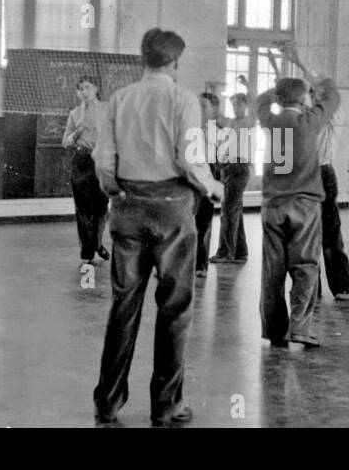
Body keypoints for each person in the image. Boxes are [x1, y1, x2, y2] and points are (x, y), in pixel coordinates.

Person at [92, 28, 223, 428]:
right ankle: (166, 406)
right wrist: (213, 187)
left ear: (141, 59)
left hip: (128, 210)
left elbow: (103, 160)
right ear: (176, 63)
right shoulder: (183, 99)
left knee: (123, 307)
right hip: (172, 211)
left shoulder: (119, 99)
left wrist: (119, 191)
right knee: (175, 310)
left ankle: (108, 404)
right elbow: (190, 159)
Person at [255, 67, 342, 348]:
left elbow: (261, 100)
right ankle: (300, 327)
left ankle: (273, 329)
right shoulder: (308, 122)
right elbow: (332, 94)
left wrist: (278, 91)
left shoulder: (270, 120)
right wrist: (313, 79)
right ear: (304, 99)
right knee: (305, 265)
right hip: (304, 205)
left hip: (272, 205)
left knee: (273, 271)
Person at [279, 45, 349, 301]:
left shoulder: (332, 117)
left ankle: (341, 285)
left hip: (323, 173)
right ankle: (312, 286)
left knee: (330, 232)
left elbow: (322, 87)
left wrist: (298, 61)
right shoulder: (303, 118)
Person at [62, 75, 110, 268]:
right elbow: (65, 142)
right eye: (80, 88)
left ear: (96, 88)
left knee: (101, 207)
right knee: (83, 208)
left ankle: (97, 243)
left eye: (87, 87)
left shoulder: (107, 110)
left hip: (101, 161)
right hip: (81, 161)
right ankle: (87, 250)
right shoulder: (74, 113)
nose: (84, 92)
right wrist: (76, 133)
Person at [211, 92, 252, 264]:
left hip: (240, 168)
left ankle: (225, 253)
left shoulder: (247, 122)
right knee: (234, 211)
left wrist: (249, 87)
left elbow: (257, 108)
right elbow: (216, 116)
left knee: (228, 212)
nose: (236, 107)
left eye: (239, 104)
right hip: (228, 168)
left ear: (245, 105)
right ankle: (240, 252)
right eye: (234, 104)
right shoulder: (230, 122)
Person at [194, 92, 222, 278]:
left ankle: (201, 264)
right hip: (192, 171)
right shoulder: (190, 128)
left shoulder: (218, 131)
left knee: (203, 220)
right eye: (199, 105)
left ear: (213, 109)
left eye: (204, 105)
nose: (200, 109)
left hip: (209, 171)